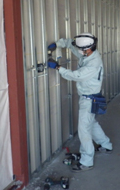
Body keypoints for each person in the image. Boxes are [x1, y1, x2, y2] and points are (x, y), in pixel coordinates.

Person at [47, 32, 113, 172]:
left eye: (80, 50)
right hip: (90, 97)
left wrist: (58, 68)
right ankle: (106, 145)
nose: (78, 51)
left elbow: (75, 75)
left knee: (84, 130)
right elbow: (71, 44)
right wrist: (58, 44)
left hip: (89, 99)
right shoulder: (88, 53)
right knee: (91, 123)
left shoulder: (93, 64)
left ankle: (87, 161)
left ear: (87, 49)